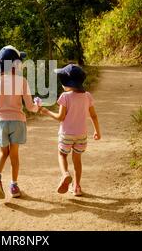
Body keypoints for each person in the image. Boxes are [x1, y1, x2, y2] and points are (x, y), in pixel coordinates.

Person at [40, 64, 101, 196]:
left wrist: (46, 112)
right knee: (77, 159)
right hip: (82, 135)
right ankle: (77, 187)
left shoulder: (65, 97)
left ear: (66, 82)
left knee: (62, 154)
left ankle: (65, 174)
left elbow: (61, 117)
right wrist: (97, 131)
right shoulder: (88, 96)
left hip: (66, 134)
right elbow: (94, 116)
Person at [0, 46, 40, 199]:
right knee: (14, 156)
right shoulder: (21, 81)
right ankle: (14, 186)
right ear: (16, 65)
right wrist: (39, 107)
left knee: (3, 153)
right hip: (17, 121)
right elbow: (30, 106)